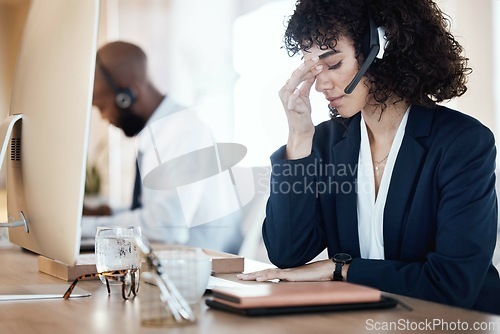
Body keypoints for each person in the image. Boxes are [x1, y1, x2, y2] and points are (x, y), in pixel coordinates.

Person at [238, 0, 500, 314]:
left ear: (383, 50)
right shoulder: (325, 142)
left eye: (332, 64)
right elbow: (286, 251)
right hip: (364, 322)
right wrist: (299, 137)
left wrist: (341, 269)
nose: (321, 83)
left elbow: (451, 285)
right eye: (312, 68)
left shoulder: (462, 143)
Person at [82, 41, 242, 254]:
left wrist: (82, 227)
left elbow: (167, 225)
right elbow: (155, 213)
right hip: (174, 262)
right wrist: (105, 212)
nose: (103, 117)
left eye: (101, 106)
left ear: (127, 96)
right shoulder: (160, 132)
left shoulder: (184, 131)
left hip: (205, 271)